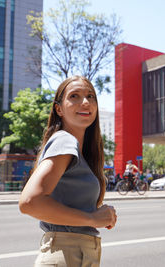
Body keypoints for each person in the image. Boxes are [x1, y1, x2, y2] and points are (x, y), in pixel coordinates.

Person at [19, 76, 117, 267]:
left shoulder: (79, 149)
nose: (86, 102)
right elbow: (30, 202)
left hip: (75, 254)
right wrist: (91, 218)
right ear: (59, 109)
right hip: (66, 255)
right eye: (74, 96)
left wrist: (99, 213)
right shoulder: (65, 140)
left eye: (91, 96)